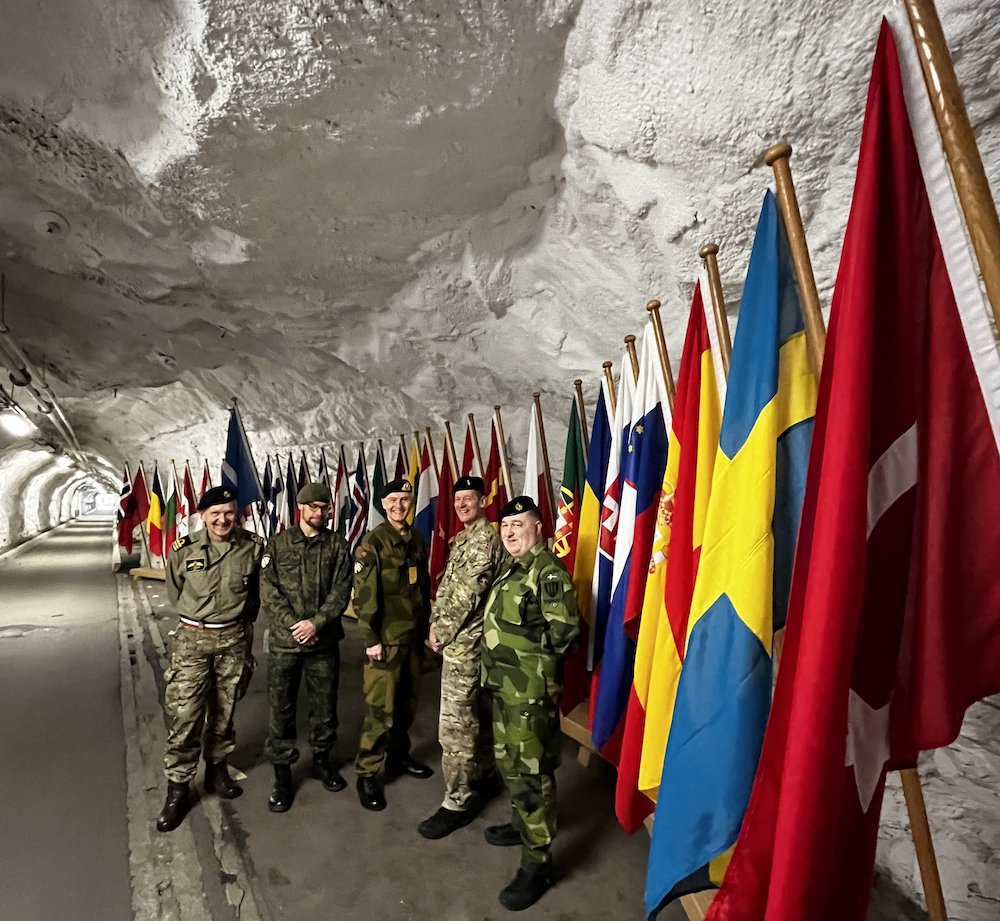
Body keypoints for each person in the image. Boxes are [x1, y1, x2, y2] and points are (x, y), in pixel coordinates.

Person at [480, 495, 579, 911]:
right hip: (505, 689)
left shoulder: (547, 573)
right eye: (505, 527)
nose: (509, 533)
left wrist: (535, 672)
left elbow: (565, 633)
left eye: (518, 525)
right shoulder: (514, 569)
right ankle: (522, 823)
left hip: (528, 695)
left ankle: (537, 862)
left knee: (533, 773)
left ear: (539, 527)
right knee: (510, 763)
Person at [156, 486, 264, 833]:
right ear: (202, 515)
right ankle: (178, 788)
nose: (222, 519)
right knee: (186, 715)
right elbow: (175, 590)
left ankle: (218, 770)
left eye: (229, 512)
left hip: (233, 638)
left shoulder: (252, 547)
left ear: (238, 514)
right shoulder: (183, 550)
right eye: (215, 513)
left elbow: (257, 591)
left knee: (225, 709)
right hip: (193, 639)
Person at [418, 475, 507, 839]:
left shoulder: (484, 540)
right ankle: (484, 775)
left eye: (469, 498)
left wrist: (440, 630)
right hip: (467, 642)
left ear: (483, 500)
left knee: (455, 726)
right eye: (458, 500)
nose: (462, 504)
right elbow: (446, 588)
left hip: (466, 646)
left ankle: (458, 800)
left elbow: (468, 594)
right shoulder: (465, 539)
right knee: (478, 716)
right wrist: (436, 620)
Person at [259, 482, 354, 813]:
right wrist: (295, 626)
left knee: (324, 706)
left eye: (324, 508)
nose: (319, 513)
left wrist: (317, 623)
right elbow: (268, 591)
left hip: (323, 641)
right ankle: (282, 775)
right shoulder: (279, 544)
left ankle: (322, 760)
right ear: (300, 508)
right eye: (312, 507)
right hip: (287, 644)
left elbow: (341, 590)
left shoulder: (337, 546)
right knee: (281, 709)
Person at [353, 477, 433, 811]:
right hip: (385, 640)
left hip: (411, 638)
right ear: (383, 505)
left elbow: (422, 588)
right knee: (380, 710)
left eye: (404, 500)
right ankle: (367, 772)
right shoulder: (373, 544)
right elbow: (364, 596)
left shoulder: (415, 539)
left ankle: (398, 757)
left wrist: (427, 628)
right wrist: (371, 638)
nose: (399, 506)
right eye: (393, 501)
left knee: (406, 705)